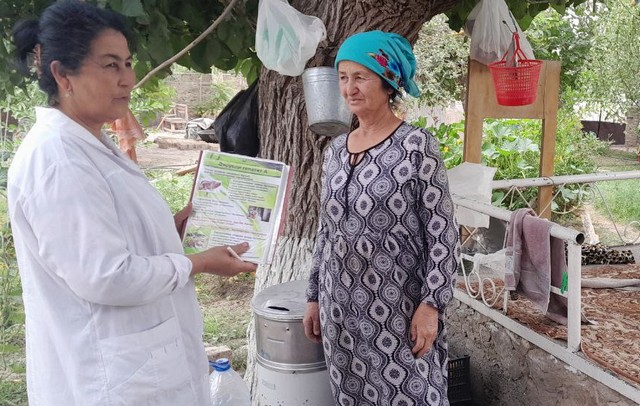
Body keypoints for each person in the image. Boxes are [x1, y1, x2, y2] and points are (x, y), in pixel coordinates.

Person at [8, 2, 256, 405]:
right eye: (110, 66)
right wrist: (198, 262)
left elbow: (109, 240)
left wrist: (169, 234)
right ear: (62, 74)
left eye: (127, 63)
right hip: (110, 378)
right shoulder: (58, 159)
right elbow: (105, 275)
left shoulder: (88, 143)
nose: (128, 79)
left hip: (137, 366)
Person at [303, 30, 460, 406]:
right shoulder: (336, 151)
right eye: (343, 77)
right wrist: (313, 297)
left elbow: (442, 233)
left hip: (399, 305)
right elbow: (327, 230)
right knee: (351, 394)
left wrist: (431, 304)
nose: (349, 88)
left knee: (413, 393)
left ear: (389, 83)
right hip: (340, 305)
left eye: (360, 77)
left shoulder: (416, 145)